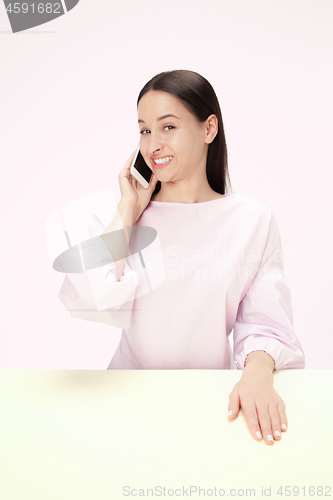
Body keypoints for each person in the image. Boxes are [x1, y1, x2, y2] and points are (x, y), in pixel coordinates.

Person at [58, 69, 305, 446]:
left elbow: (265, 323)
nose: (153, 144)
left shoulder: (251, 221)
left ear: (209, 130)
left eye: (168, 127)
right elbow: (89, 296)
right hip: (125, 401)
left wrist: (256, 373)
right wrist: (127, 209)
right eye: (144, 130)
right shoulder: (125, 217)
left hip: (212, 403)